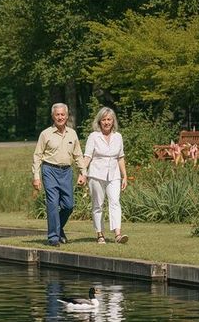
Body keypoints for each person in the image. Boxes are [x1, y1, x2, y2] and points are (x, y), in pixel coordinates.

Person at [32, 103, 87, 247]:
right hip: (49, 170)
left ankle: (58, 228)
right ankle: (53, 238)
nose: (60, 117)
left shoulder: (72, 133)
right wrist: (36, 176)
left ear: (67, 116)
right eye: (57, 114)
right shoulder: (45, 134)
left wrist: (83, 172)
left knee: (69, 205)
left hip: (66, 172)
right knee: (52, 203)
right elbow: (37, 156)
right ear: (53, 116)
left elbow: (78, 155)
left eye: (63, 114)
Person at [82, 106, 129, 244]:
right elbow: (87, 156)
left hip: (114, 175)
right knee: (98, 204)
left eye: (109, 119)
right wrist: (83, 173)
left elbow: (120, 157)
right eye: (104, 120)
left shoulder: (118, 137)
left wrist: (124, 176)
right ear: (99, 121)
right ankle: (100, 234)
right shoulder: (94, 136)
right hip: (96, 174)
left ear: (113, 121)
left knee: (115, 202)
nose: (107, 122)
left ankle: (118, 234)